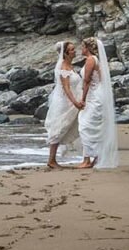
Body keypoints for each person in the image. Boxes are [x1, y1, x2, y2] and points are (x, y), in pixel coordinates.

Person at [76, 36, 119, 169]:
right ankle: (92, 157)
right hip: (97, 93)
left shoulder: (90, 60)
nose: (81, 49)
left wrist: (82, 99)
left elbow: (87, 81)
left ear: (87, 48)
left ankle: (88, 159)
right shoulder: (95, 60)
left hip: (93, 95)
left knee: (85, 126)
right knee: (91, 125)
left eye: (83, 46)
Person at [43, 41, 83, 169]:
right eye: (71, 50)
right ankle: (51, 160)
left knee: (71, 127)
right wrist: (75, 102)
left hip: (71, 102)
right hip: (65, 103)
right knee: (59, 128)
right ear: (65, 53)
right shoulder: (63, 68)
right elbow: (66, 88)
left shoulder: (69, 66)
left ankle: (88, 155)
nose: (74, 51)